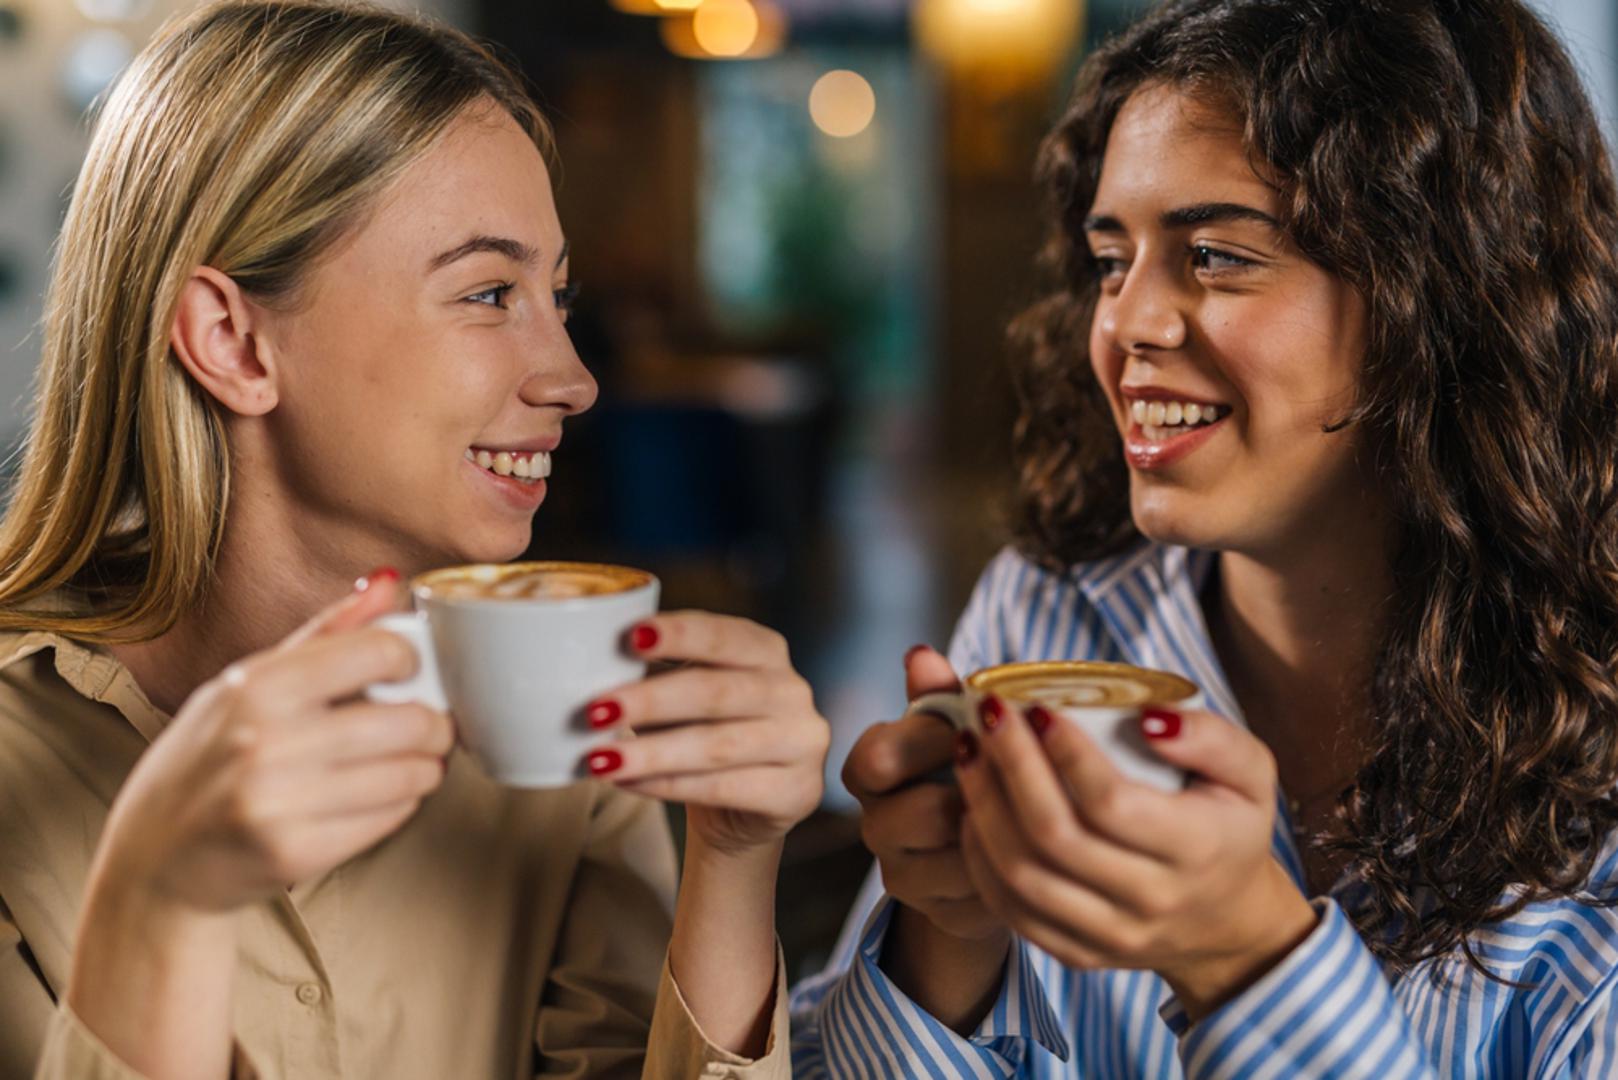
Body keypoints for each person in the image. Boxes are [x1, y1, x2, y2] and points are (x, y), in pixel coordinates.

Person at [0, 3, 829, 1078]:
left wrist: (735, 858)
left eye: (556, 294)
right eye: (488, 293)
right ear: (231, 341)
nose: (572, 379)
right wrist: (159, 904)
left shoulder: (559, 713)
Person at [791, 0, 1618, 1075]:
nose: (1125, 325)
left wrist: (1248, 964)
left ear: (1445, 293)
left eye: (1218, 256)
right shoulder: (1055, 609)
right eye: (1108, 261)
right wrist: (946, 938)